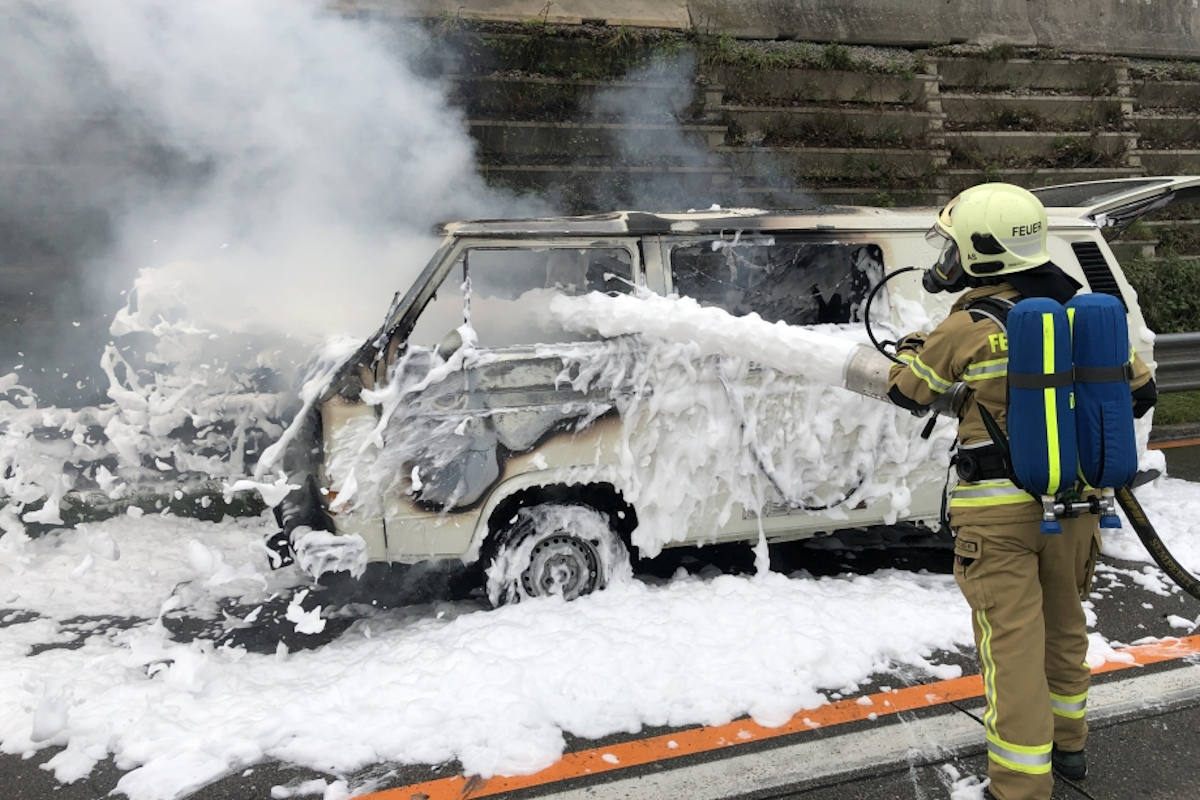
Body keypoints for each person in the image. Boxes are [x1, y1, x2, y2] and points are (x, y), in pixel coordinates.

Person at [886, 183, 1157, 800]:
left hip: (997, 522)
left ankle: (1017, 788)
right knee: (1065, 629)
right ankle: (1071, 750)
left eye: (953, 247)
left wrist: (909, 347)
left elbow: (908, 390)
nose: (946, 258)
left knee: (1011, 651)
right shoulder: (1090, 314)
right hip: (1079, 507)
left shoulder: (969, 325)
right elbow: (1139, 391)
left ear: (983, 253)